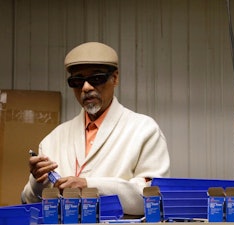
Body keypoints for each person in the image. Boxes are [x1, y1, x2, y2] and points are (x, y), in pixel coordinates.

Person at [21, 41, 170, 216]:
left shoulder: (144, 130)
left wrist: (89, 186)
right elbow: (28, 204)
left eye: (96, 78)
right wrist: (38, 182)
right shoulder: (53, 139)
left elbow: (152, 198)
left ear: (115, 78)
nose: (86, 87)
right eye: (77, 81)